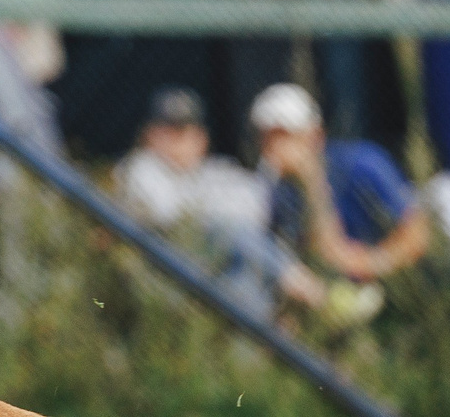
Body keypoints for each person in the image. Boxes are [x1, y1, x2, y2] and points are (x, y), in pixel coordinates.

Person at [110, 86, 334, 318]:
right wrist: (219, 216)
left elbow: (255, 209)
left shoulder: (215, 170)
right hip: (164, 273)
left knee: (244, 271)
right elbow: (177, 218)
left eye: (187, 131)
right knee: (234, 239)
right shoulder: (139, 169)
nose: (181, 140)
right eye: (170, 131)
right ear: (150, 135)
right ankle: (291, 280)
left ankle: (260, 340)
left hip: (217, 270)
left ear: (202, 137)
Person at [251, 81, 430, 293]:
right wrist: (312, 184)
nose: (277, 149)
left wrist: (374, 263)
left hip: (406, 280)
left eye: (286, 136)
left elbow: (418, 232)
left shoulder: (364, 164)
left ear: (315, 136)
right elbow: (326, 258)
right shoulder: (281, 191)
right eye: (268, 139)